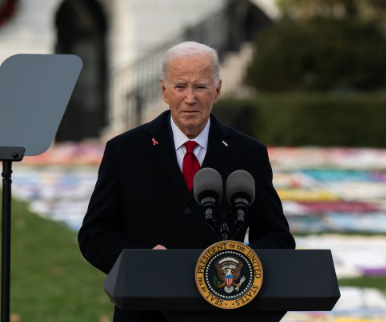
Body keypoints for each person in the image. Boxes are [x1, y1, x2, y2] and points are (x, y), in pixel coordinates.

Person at [78, 41, 295, 321]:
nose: (190, 98)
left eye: (201, 87)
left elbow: (278, 238)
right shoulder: (124, 150)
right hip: (145, 311)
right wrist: (140, 260)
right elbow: (95, 234)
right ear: (164, 90)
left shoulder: (249, 154)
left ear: (217, 91)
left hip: (224, 312)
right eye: (180, 86)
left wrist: (238, 261)